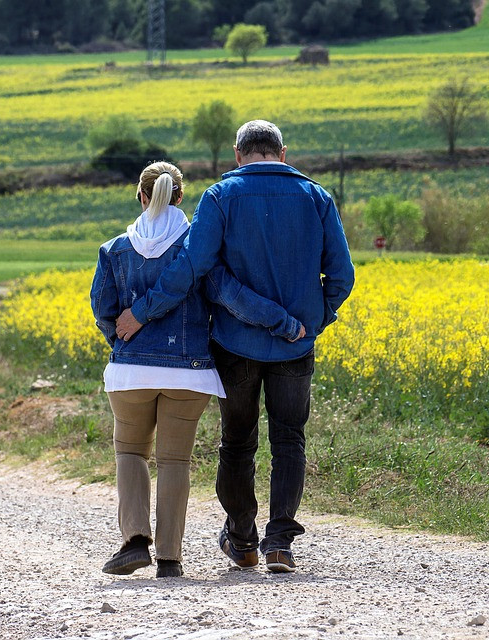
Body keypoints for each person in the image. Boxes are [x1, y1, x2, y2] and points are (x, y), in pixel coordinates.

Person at [115, 121, 355, 573]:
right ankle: (280, 541)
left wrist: (144, 311)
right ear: (282, 152)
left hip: (234, 344)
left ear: (237, 153)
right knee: (289, 440)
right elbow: (342, 276)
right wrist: (311, 322)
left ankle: (242, 539)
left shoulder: (220, 198)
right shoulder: (317, 197)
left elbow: (194, 267)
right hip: (296, 347)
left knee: (237, 442)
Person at [91, 161, 305, 579]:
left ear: (139, 196)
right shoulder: (197, 248)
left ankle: (135, 540)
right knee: (175, 462)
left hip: (130, 373)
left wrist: (123, 345)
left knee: (131, 452)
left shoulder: (114, 249)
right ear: (180, 197)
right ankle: (170, 559)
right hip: (189, 375)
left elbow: (103, 310)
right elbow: (232, 296)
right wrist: (284, 323)